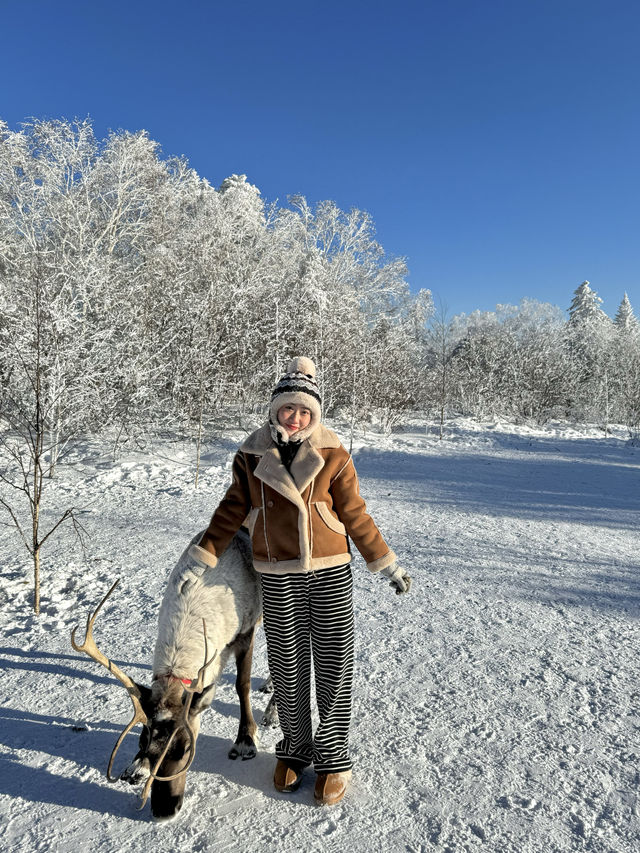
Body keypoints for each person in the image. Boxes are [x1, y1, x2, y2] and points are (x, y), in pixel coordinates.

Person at [189, 356, 412, 806]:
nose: (296, 417)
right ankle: (294, 749)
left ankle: (332, 758)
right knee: (288, 667)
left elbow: (354, 513)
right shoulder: (251, 454)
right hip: (275, 573)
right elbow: (231, 509)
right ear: (275, 410)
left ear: (316, 414)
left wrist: (385, 563)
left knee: (332, 663)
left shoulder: (333, 452)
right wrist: (203, 556)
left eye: (305, 411)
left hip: (328, 569)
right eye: (288, 409)